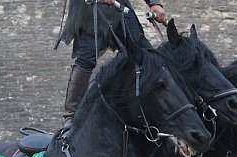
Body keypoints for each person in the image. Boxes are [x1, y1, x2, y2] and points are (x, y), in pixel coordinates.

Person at [56, 0, 168, 131]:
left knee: (142, 53)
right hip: (90, 6)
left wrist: (154, 4)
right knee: (87, 57)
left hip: (119, 5)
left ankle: (150, 107)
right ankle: (71, 115)